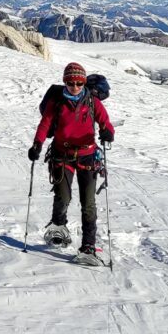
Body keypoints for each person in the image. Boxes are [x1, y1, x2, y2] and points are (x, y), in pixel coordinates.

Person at [28, 62, 115, 265]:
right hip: (62, 154)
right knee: (63, 195)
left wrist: (108, 132)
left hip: (87, 156)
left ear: (83, 82)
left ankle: (88, 246)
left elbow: (105, 122)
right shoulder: (56, 102)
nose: (74, 86)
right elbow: (45, 124)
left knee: (88, 203)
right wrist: (37, 144)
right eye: (70, 82)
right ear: (64, 81)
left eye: (78, 82)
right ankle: (59, 227)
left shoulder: (93, 102)